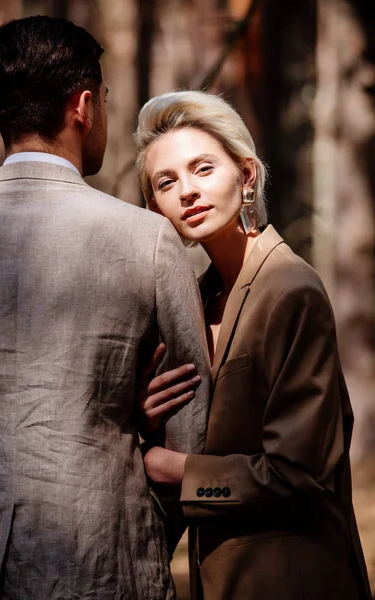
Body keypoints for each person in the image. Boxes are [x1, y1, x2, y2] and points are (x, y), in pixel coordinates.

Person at [0, 18, 211, 600]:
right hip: (102, 558)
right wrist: (141, 519)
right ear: (84, 106)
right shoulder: (148, 239)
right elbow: (193, 424)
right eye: (104, 99)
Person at [134, 90, 372, 600]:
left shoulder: (290, 289)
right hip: (218, 576)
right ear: (154, 206)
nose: (187, 193)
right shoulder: (196, 299)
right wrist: (150, 424)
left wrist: (180, 470)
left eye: (203, 169)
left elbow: (300, 473)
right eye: (166, 182)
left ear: (246, 176)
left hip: (296, 578)